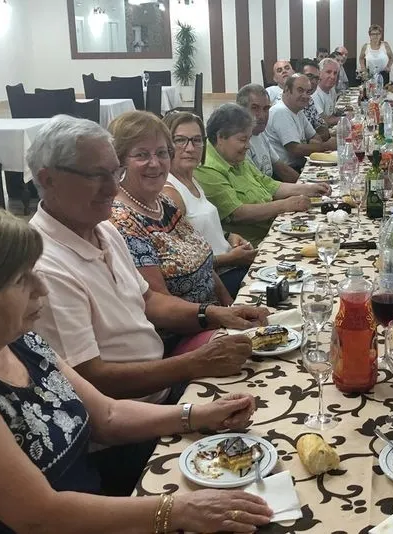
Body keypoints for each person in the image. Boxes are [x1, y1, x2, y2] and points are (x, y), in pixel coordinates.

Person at [0, 199, 273, 531]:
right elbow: (40, 516)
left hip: (98, 504)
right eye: (20, 281)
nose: (41, 288)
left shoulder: (16, 340)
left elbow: (108, 414)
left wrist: (200, 414)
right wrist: (178, 511)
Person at [25, 115, 267, 408]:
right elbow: (92, 378)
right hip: (135, 414)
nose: (112, 189)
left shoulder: (102, 228)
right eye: (95, 176)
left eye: (114, 173)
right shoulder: (45, 266)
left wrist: (216, 314)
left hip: (163, 380)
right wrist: (194, 364)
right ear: (48, 179)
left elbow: (149, 300)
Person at [105, 111, 232, 307]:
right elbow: (161, 307)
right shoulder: (122, 221)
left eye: (162, 153)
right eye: (142, 155)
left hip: (213, 315)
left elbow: (204, 265)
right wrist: (220, 318)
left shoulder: (163, 202)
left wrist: (230, 304)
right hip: (185, 330)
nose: (155, 163)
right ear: (119, 161)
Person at [195, 103, 330, 245]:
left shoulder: (232, 155)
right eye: (243, 139)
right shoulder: (207, 167)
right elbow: (238, 213)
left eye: (248, 139)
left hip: (272, 229)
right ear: (220, 137)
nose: (248, 145)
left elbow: (267, 184)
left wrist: (308, 188)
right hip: (254, 244)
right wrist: (284, 205)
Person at [158, 112, 256, 299]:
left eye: (196, 140)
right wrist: (232, 258)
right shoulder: (170, 193)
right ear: (165, 146)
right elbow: (183, 265)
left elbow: (201, 230)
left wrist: (228, 236)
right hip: (217, 280)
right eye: (180, 140)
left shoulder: (192, 179)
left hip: (230, 265)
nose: (190, 148)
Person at [263, 74, 336, 172]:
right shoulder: (280, 111)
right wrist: (326, 146)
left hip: (301, 165)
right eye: (300, 90)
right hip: (288, 172)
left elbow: (315, 137)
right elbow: (295, 150)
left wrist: (314, 145)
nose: (305, 96)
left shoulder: (298, 110)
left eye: (308, 92)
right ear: (287, 90)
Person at [236, 84, 300, 184]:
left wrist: (306, 185)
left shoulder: (261, 134)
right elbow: (256, 185)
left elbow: (282, 169)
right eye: (255, 108)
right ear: (240, 110)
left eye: (266, 109)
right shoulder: (239, 143)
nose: (262, 116)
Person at [299, 60, 332, 141]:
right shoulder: (286, 105)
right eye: (309, 76)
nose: (313, 81)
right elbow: (296, 148)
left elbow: (322, 126)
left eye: (316, 78)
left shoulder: (309, 100)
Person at [312, 58, 340, 122]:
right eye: (328, 72)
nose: (332, 76)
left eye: (335, 73)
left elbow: (331, 114)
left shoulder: (331, 89)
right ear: (319, 73)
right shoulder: (315, 93)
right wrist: (345, 119)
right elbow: (323, 121)